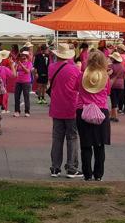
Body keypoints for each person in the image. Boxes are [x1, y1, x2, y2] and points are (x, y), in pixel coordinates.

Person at [75, 50, 111, 181]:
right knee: (99, 146)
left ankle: (87, 174)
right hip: (101, 112)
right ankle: (98, 175)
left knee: (85, 145)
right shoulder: (105, 77)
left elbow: (76, 88)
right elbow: (107, 92)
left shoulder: (81, 76)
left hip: (83, 111)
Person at [48, 43, 82, 178]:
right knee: (72, 137)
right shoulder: (74, 70)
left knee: (57, 138)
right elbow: (79, 87)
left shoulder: (51, 67)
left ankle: (55, 168)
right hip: (71, 107)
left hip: (56, 106)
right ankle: (72, 168)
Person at [108, 52, 125, 122]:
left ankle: (115, 116)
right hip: (121, 85)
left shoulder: (111, 66)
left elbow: (108, 74)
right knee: (116, 100)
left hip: (113, 84)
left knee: (113, 100)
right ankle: (113, 116)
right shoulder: (123, 67)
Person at [14, 50, 33, 117]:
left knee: (26, 97)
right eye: (22, 56)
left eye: (24, 57)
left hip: (26, 82)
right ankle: (17, 111)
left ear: (27, 57)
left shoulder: (29, 63)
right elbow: (15, 71)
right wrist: (16, 66)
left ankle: (27, 111)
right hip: (18, 81)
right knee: (16, 96)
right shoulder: (18, 63)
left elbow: (27, 71)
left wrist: (21, 65)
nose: (23, 58)